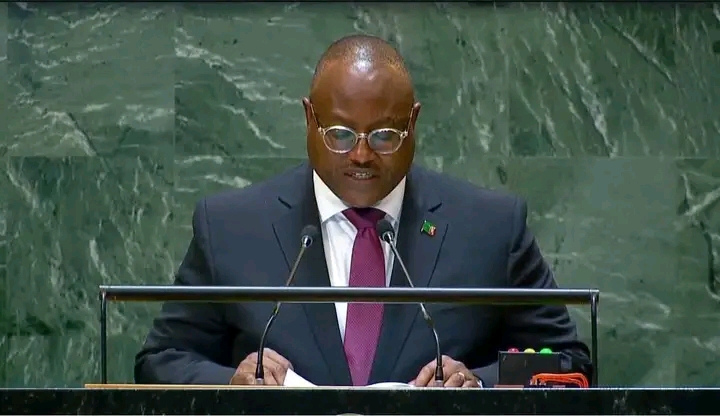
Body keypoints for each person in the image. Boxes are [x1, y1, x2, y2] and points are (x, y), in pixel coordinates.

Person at [135, 34, 592, 388]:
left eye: (384, 136)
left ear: (413, 123)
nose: (360, 155)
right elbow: (162, 360)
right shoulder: (231, 227)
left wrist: (478, 384)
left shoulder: (490, 227)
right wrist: (231, 383)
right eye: (339, 134)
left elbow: (567, 362)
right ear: (309, 119)